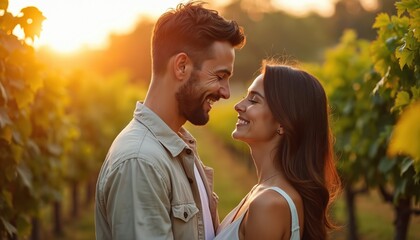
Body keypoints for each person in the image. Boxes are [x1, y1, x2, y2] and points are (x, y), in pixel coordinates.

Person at [94, 1, 246, 239]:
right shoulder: (141, 162)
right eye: (220, 76)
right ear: (182, 66)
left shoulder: (178, 146)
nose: (226, 93)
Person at [214, 60, 341, 240]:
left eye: (254, 100)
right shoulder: (263, 192)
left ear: (283, 122)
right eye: (245, 96)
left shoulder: (268, 204)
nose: (238, 105)